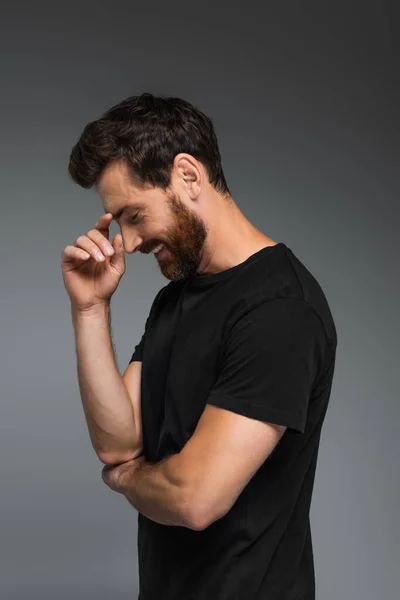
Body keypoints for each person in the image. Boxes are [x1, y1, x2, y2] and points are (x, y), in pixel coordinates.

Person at [62, 93, 337, 600]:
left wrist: (124, 481)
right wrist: (90, 310)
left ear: (188, 175)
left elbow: (195, 498)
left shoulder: (279, 310)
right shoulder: (175, 300)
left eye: (134, 214)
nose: (129, 240)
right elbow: (117, 443)